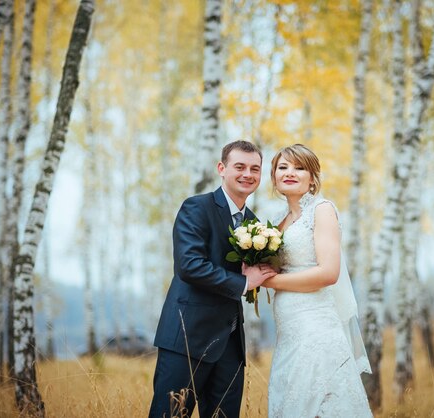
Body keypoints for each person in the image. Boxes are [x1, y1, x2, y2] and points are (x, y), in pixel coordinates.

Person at [148, 140, 277, 418]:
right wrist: (244, 283)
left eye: (255, 168)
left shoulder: (255, 224)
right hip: (187, 339)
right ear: (222, 168)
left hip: (230, 345)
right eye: (239, 166)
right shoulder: (197, 207)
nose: (247, 174)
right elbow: (190, 266)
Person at [263, 144, 373, 417]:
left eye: (300, 167)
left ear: (312, 178)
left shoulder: (322, 210)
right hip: (288, 333)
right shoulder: (277, 222)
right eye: (283, 167)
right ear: (274, 176)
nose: (290, 172)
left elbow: (328, 273)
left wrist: (269, 281)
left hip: (316, 329)